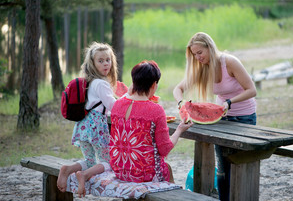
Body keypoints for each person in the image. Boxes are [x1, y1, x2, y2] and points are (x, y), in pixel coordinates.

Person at [173, 32, 257, 201]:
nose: (197, 57)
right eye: (194, 54)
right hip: (221, 119)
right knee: (223, 167)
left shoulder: (230, 62)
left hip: (244, 117)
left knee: (242, 163)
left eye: (200, 53)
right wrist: (181, 103)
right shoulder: (201, 68)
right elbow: (178, 89)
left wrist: (229, 103)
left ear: (209, 48)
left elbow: (252, 90)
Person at [110, 60, 193, 183]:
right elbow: (165, 149)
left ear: (134, 82)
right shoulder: (156, 110)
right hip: (143, 174)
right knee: (165, 168)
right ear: (154, 84)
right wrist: (179, 130)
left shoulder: (117, 104)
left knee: (167, 167)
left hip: (119, 170)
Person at [57, 42, 118, 198]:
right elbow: (114, 106)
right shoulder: (102, 84)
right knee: (108, 162)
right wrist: (128, 99)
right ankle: (84, 176)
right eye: (101, 60)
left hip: (83, 126)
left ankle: (68, 169)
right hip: (97, 128)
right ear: (92, 63)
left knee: (90, 160)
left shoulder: (89, 83)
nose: (106, 64)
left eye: (108, 60)